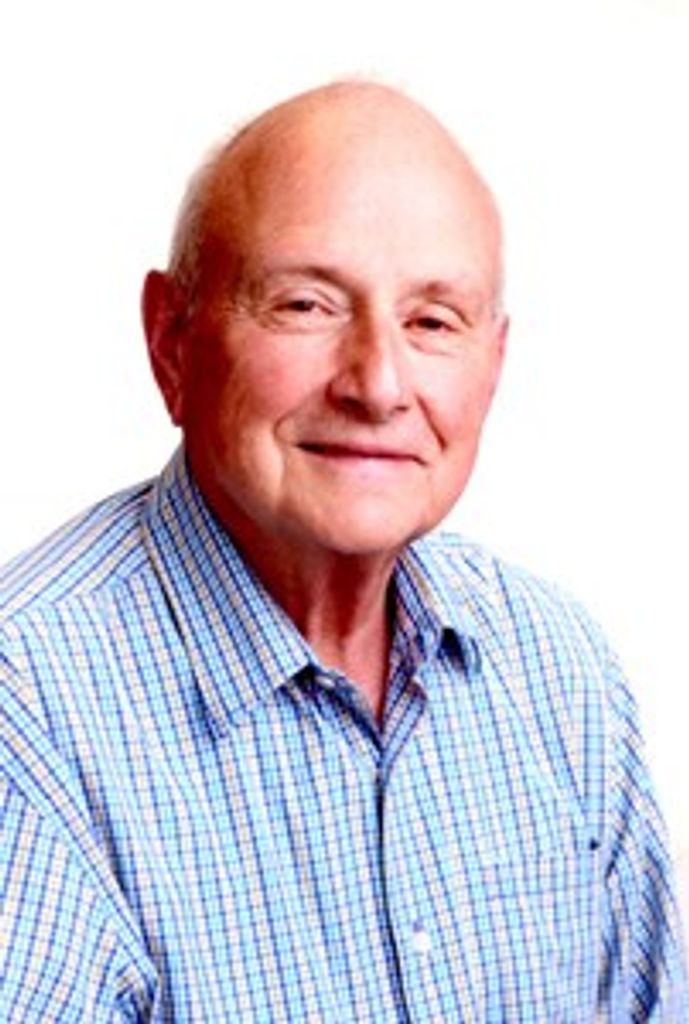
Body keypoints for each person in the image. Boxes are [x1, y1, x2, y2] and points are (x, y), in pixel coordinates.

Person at [1, 81, 686, 1022]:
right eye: (306, 305)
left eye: (432, 320)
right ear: (172, 342)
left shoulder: (556, 670)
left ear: (493, 365)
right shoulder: (28, 714)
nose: (378, 383)